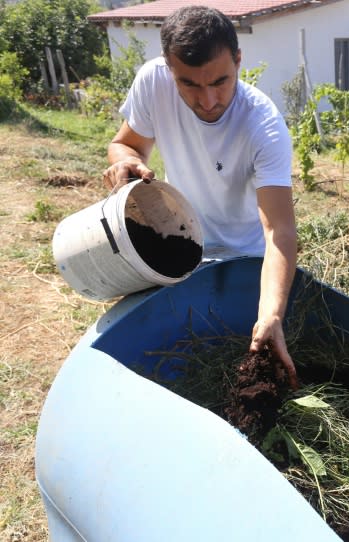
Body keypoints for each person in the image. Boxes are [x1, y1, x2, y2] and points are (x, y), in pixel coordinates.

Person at [101, 5, 299, 389]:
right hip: (182, 248)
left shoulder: (263, 126)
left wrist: (271, 313)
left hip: (247, 262)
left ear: (239, 61)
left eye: (220, 82)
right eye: (189, 85)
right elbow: (126, 144)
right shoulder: (153, 82)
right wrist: (125, 163)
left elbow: (280, 231)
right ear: (169, 68)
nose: (207, 100)